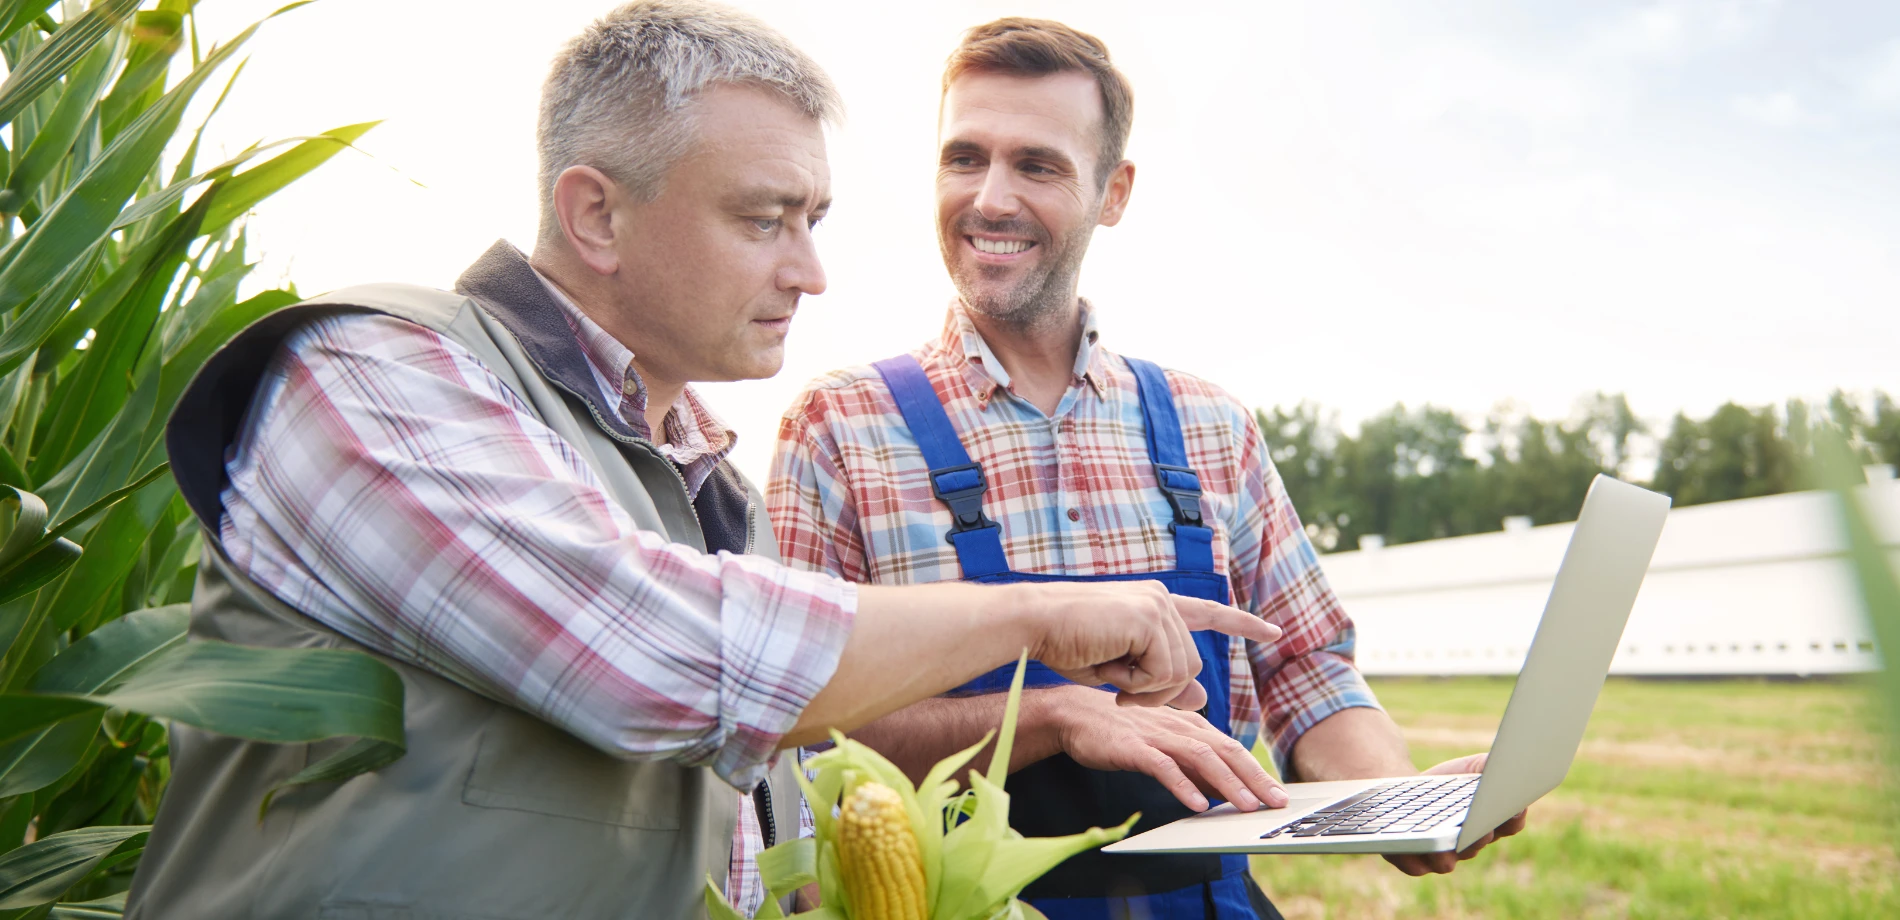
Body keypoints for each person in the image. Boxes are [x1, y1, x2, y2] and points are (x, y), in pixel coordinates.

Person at [122, 5, 1279, 919]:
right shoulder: (372, 374)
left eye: (815, 218)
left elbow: (779, 792)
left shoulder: (708, 490)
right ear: (597, 217)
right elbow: (662, 655)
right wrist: (1036, 622)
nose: (810, 271)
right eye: (765, 218)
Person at [767, 17, 1528, 920]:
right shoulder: (842, 426)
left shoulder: (1213, 428)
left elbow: (1308, 670)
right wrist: (1052, 720)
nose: (991, 199)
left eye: (1037, 165)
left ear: (1113, 191)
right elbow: (799, 729)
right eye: (964, 158)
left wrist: (1400, 805)